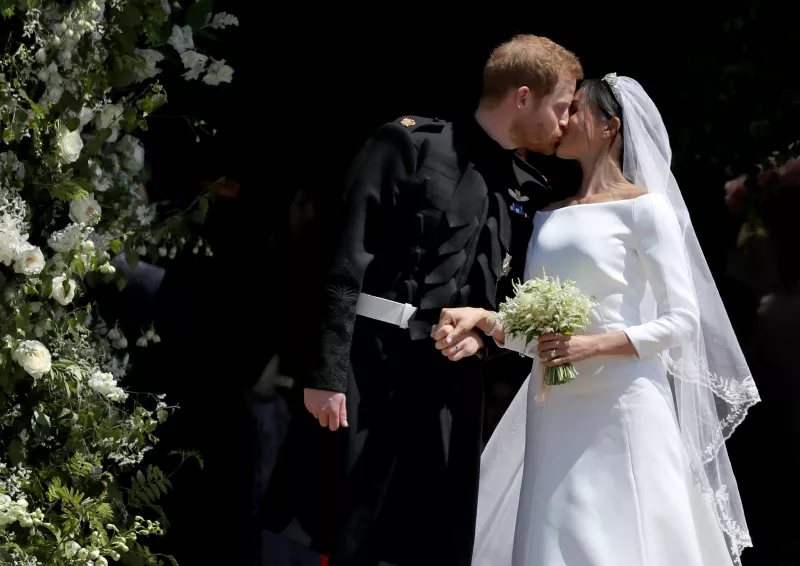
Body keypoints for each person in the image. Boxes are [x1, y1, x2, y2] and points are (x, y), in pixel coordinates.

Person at [260, 35, 582, 566]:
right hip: (371, 367)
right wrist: (326, 373)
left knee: (430, 540)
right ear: (523, 97)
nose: (566, 121)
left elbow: (511, 301)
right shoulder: (408, 144)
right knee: (346, 531)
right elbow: (345, 260)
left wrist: (483, 340)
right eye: (561, 105)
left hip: (454, 388)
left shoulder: (525, 188)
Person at [432, 75, 760, 566]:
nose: (563, 121)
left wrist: (593, 345)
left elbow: (682, 321)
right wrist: (486, 320)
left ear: (610, 127)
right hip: (554, 405)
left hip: (623, 401)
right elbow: (538, 336)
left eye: (576, 111)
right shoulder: (547, 214)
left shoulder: (645, 210)